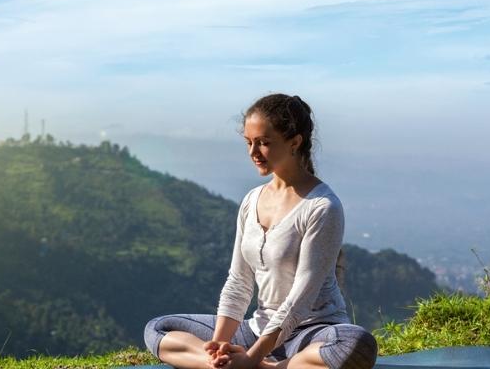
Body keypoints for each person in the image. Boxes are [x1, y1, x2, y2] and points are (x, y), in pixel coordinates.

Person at [144, 93, 378, 369]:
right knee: (158, 329)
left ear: (295, 142)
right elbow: (238, 282)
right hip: (257, 330)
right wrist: (218, 348)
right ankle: (220, 366)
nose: (253, 152)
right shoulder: (251, 200)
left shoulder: (322, 207)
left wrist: (251, 358)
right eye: (249, 142)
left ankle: (263, 367)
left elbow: (299, 301)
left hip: (311, 333)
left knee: (356, 345)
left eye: (264, 143)